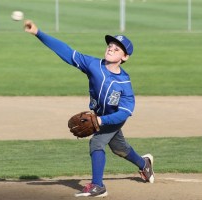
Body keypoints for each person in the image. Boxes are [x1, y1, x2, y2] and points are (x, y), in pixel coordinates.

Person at [24, 20, 154, 198]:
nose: (111, 49)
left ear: (124, 57)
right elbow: (67, 52)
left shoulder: (124, 84)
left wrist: (102, 121)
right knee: (119, 148)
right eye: (110, 45)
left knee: (97, 142)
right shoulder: (93, 65)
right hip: (99, 116)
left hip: (113, 118)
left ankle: (98, 186)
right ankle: (144, 163)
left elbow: (124, 112)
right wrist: (38, 33)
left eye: (117, 49)